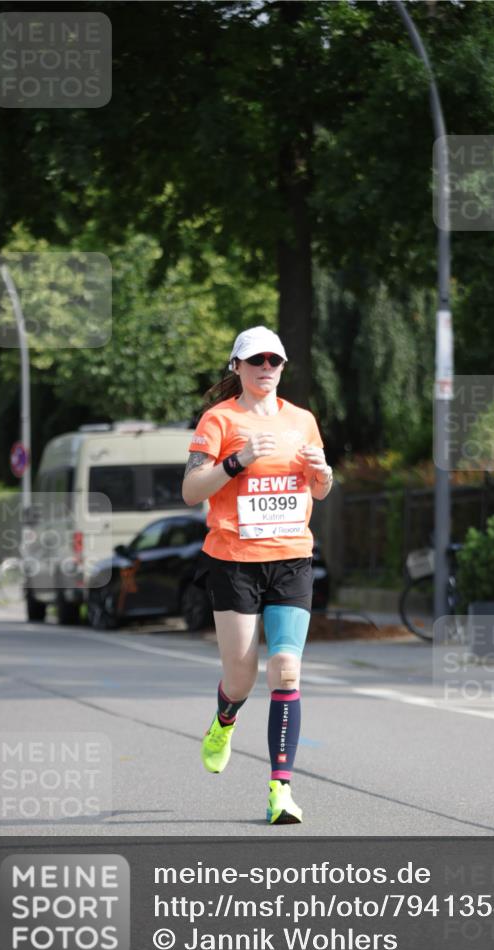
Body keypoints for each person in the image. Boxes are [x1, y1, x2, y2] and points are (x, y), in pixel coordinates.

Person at [182, 326, 333, 824]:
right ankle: (225, 719)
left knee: (286, 670)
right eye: (256, 360)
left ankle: (280, 791)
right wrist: (237, 461)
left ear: (283, 367)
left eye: (275, 360)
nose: (267, 367)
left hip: (291, 557)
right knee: (242, 677)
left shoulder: (303, 421)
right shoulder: (219, 419)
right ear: (238, 367)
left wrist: (324, 475)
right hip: (233, 561)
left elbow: (318, 489)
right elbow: (190, 490)